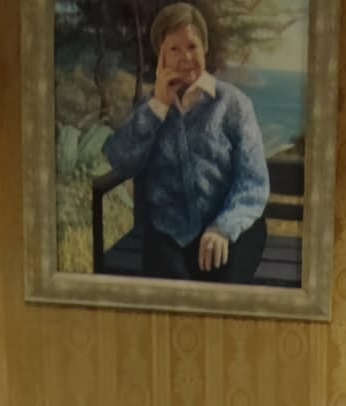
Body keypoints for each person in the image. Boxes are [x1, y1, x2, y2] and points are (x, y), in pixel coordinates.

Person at [101, 4, 272, 283]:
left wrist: (222, 228)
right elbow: (120, 159)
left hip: (233, 225)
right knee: (172, 289)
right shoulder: (149, 107)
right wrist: (159, 106)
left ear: (205, 47)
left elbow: (253, 183)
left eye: (192, 46)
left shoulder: (233, 104)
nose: (186, 58)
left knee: (224, 287)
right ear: (161, 56)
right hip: (169, 233)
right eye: (174, 49)